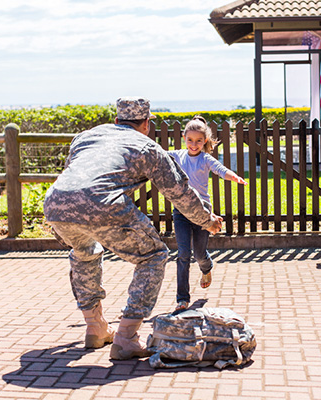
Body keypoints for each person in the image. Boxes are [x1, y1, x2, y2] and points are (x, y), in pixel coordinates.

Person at [43, 97, 223, 360]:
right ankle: (126, 338)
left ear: (116, 121)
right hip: (102, 202)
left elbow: (75, 173)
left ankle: (95, 328)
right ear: (147, 124)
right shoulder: (148, 147)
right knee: (153, 256)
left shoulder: (86, 136)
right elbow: (179, 193)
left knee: (85, 251)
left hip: (56, 203)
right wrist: (207, 220)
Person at [168, 116, 247, 312]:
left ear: (205, 141)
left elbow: (221, 170)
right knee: (183, 254)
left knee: (199, 254)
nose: (194, 144)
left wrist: (234, 177)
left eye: (199, 141)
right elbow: (156, 155)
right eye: (190, 140)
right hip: (181, 212)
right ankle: (182, 299)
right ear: (184, 138)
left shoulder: (205, 159)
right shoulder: (177, 155)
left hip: (203, 214)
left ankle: (207, 268)